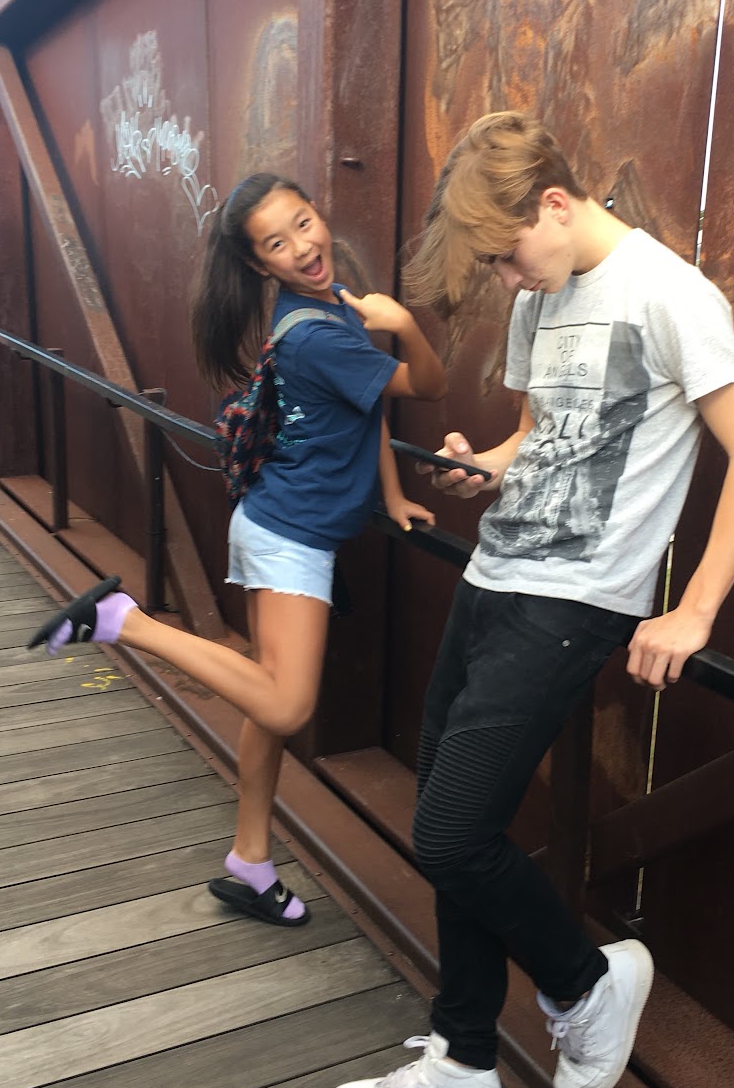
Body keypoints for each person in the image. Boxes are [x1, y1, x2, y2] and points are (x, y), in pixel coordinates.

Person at [325, 112, 734, 1088]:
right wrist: (482, 466)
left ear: (555, 202)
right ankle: (462, 1064)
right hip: (494, 576)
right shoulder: (543, 289)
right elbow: (541, 435)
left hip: (575, 602)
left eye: (507, 256)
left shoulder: (672, 294)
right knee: (454, 828)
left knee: (448, 833)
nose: (507, 279)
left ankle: (586, 983)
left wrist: (693, 607)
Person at [30, 172, 445, 925]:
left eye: (304, 223)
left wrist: (388, 495)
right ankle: (124, 621)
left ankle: (250, 862)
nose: (303, 246)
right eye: (277, 243)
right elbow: (426, 384)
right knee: (289, 702)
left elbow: (366, 408)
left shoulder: (318, 306)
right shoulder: (320, 331)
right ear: (259, 264)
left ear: (317, 213)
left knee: (266, 699)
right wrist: (405, 324)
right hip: (291, 534)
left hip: (269, 518)